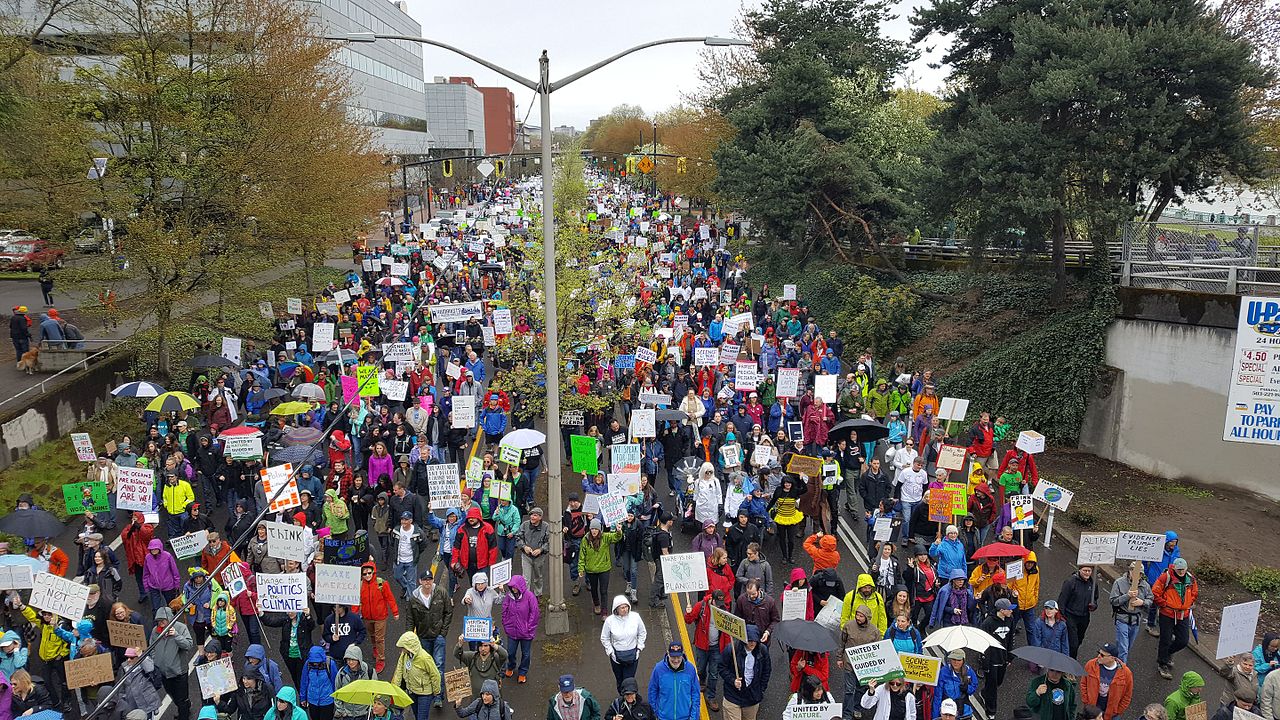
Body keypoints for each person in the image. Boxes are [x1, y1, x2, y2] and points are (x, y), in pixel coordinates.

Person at [407, 568, 451, 699]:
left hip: (438, 637)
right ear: (420, 581)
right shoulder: (413, 598)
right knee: (425, 667)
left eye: (430, 579)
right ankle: (427, 692)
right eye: (425, 580)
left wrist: (443, 633)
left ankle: (438, 696)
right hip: (423, 637)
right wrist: (409, 639)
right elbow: (410, 619)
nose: (428, 582)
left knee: (439, 666)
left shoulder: (441, 592)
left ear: (433, 580)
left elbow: (448, 612)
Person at [1152, 558, 1199, 679]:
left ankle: (1166, 654)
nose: (1181, 572)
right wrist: (1164, 604)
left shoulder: (1191, 579)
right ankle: (1162, 663)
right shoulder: (1165, 577)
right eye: (1179, 570)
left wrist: (1188, 603)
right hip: (1167, 614)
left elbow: (1194, 593)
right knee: (1165, 639)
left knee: (1183, 640)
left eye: (1183, 570)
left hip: (1183, 614)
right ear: (1175, 568)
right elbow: (1155, 592)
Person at [355, 560, 399, 674]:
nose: (367, 575)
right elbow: (356, 601)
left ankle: (381, 659)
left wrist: (395, 612)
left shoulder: (382, 584)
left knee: (380, 639)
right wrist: (354, 614)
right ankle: (375, 648)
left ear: (373, 572)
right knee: (372, 635)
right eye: (364, 574)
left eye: (369, 573)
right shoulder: (360, 586)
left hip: (380, 617)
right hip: (367, 617)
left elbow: (390, 598)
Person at [719, 625, 770, 720]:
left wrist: (761, 689)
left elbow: (766, 671)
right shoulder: (731, 649)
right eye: (750, 641)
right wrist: (733, 680)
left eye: (755, 641)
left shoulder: (762, 651)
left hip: (752, 697)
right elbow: (722, 668)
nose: (753, 644)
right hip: (732, 696)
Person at [153, 606, 195, 720]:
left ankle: (184, 715)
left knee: (181, 699)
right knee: (173, 695)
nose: (160, 623)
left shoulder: (180, 628)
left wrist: (176, 635)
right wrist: (155, 660)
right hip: (164, 673)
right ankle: (185, 708)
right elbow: (152, 647)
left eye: (163, 620)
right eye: (158, 621)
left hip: (179, 672)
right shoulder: (155, 631)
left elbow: (188, 645)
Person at [602, 594, 647, 695]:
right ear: (616, 609)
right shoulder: (609, 621)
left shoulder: (636, 617)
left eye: (626, 606)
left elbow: (642, 632)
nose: (625, 609)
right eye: (622, 607)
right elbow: (604, 638)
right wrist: (610, 652)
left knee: (629, 680)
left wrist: (639, 648)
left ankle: (630, 699)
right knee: (619, 680)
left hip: (632, 655)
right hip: (616, 657)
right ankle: (621, 698)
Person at [497, 575, 539, 684]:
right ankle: (511, 666)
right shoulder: (509, 597)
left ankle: (522, 673)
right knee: (510, 652)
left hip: (526, 633)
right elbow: (504, 611)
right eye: (511, 587)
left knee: (526, 654)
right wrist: (506, 624)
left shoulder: (530, 596)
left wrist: (528, 628)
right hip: (512, 631)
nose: (513, 589)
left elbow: (534, 614)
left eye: (515, 586)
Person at [391, 631, 442, 720]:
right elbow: (399, 670)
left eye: (403, 647)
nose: (401, 650)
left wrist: (436, 691)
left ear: (409, 646)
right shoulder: (404, 655)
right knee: (417, 716)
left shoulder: (425, 658)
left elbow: (435, 675)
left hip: (425, 694)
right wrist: (395, 688)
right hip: (412, 691)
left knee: (422, 718)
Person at [1110, 564, 1154, 664]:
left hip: (1136, 620)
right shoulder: (1119, 583)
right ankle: (1121, 673)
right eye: (1134, 571)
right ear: (1129, 570)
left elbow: (1150, 600)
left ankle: (1114, 662)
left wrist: (1142, 602)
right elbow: (1113, 600)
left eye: (1139, 573)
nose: (1136, 575)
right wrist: (1127, 596)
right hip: (1122, 618)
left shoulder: (1145, 585)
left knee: (1126, 647)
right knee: (1124, 649)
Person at [980, 598, 1017, 713]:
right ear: (1001, 610)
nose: (1011, 611)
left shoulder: (1010, 620)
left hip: (1003, 657)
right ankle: (991, 710)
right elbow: (983, 643)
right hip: (992, 659)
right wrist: (985, 662)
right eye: (1009, 609)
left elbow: (1011, 638)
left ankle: (984, 693)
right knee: (992, 685)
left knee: (998, 682)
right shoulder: (988, 623)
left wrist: (1010, 656)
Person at [1081, 642, 1134, 720]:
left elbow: (1127, 695)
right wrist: (1086, 703)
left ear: (1112, 658)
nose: (1098, 656)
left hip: (1112, 713)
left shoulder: (1126, 673)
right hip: (1092, 708)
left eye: (1102, 655)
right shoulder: (1090, 665)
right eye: (1099, 653)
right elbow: (1083, 684)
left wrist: (1117, 711)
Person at [648, 642, 700, 720]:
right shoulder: (658, 669)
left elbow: (695, 694)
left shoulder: (690, 669)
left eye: (678, 657)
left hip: (685, 718)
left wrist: (693, 717)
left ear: (682, 654)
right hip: (664, 718)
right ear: (668, 654)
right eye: (673, 657)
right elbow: (652, 692)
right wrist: (655, 713)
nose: (676, 660)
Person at [1058, 565, 1099, 659]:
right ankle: (1071, 662)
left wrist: (1094, 606)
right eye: (1085, 570)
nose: (1087, 573)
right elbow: (1062, 600)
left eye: (1089, 571)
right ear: (1080, 570)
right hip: (1070, 615)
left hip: (1084, 617)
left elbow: (1095, 599)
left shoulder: (1093, 584)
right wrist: (1062, 616)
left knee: (1079, 639)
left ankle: (1067, 653)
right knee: (1073, 643)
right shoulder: (1070, 582)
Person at [934, 649, 979, 719]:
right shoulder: (943, 672)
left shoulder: (969, 671)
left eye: (959, 660)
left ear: (963, 660)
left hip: (964, 712)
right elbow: (938, 695)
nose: (955, 662)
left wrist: (967, 688)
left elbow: (974, 687)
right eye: (953, 659)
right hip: (947, 712)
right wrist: (935, 716)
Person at [517, 506, 551, 596]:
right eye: (531, 515)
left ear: (540, 517)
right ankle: (525, 596)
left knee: (538, 577)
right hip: (526, 556)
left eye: (535, 515)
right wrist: (524, 547)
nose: (532, 517)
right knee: (525, 579)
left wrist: (541, 549)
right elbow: (518, 537)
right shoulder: (524, 525)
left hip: (539, 558)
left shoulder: (546, 526)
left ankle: (538, 595)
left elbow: (549, 541)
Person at [333, 646, 373, 720]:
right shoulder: (341, 673)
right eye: (348, 659)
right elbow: (337, 693)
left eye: (353, 659)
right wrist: (342, 711)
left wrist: (370, 709)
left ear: (359, 659)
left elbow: (375, 691)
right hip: (347, 714)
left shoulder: (369, 671)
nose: (350, 662)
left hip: (364, 714)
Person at [298, 646, 339, 720]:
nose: (315, 664)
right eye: (313, 662)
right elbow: (304, 682)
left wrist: (337, 698)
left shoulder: (330, 664)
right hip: (312, 700)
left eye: (317, 662)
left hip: (327, 700)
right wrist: (303, 698)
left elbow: (335, 682)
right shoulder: (308, 664)